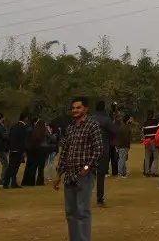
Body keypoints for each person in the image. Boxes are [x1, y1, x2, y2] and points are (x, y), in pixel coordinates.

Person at [55, 97, 104, 241]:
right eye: (73, 108)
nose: (75, 110)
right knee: (70, 213)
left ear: (86, 109)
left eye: (78, 107)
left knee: (82, 212)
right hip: (69, 175)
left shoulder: (92, 125)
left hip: (84, 176)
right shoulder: (70, 127)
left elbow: (99, 150)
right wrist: (59, 174)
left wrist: (87, 167)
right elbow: (65, 151)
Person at [89, 101, 115, 206]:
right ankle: (100, 199)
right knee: (101, 175)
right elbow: (113, 132)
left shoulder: (90, 118)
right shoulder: (106, 119)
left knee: (88, 174)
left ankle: (85, 197)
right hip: (103, 149)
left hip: (91, 149)